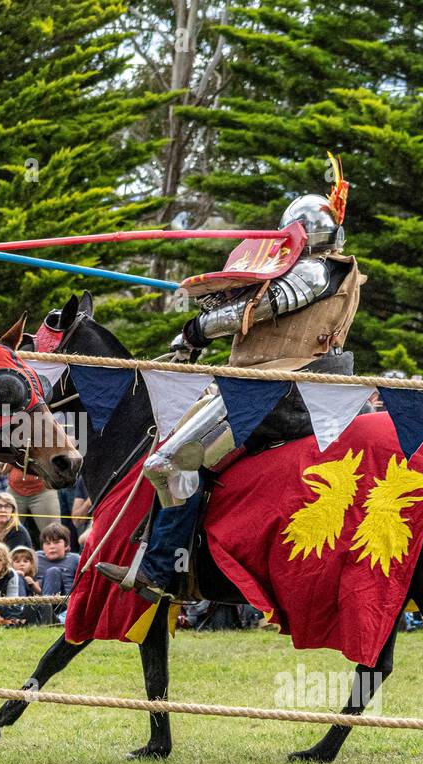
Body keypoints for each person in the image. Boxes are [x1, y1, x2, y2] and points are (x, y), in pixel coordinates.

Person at [99, 157, 364, 601]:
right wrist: (216, 298)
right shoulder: (312, 270)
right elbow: (251, 303)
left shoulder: (316, 269)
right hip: (269, 386)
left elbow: (260, 308)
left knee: (168, 464)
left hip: (278, 392)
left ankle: (163, 572)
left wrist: (196, 329)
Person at [7, 465, 60, 548]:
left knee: (53, 532)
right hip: (14, 489)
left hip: (44, 490)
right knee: (6, 530)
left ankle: (58, 559)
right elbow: (3, 470)